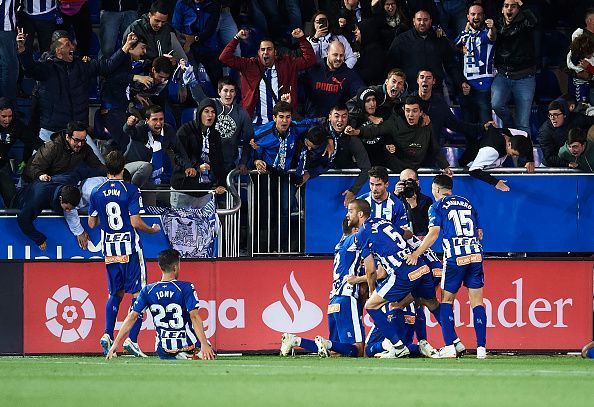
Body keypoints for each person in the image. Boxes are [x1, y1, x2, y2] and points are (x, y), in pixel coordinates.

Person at [88, 150, 161, 357]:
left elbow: (92, 223)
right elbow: (136, 222)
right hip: (129, 248)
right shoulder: (130, 190)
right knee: (140, 295)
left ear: (106, 168)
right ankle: (132, 340)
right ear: (123, 167)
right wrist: (152, 230)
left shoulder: (96, 191)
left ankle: (107, 334)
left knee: (115, 293)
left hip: (109, 250)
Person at [406, 174, 487, 359]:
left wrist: (416, 253)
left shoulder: (437, 206)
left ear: (435, 189)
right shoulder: (468, 203)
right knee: (477, 303)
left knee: (447, 301)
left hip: (455, 258)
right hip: (475, 255)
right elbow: (479, 233)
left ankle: (450, 346)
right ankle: (481, 348)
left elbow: (434, 233)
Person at [348, 199, 441, 358]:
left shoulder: (362, 233)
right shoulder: (383, 222)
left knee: (371, 306)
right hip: (422, 266)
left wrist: (371, 290)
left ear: (360, 214)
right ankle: (453, 343)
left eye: (350, 211)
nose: (347, 215)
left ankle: (397, 346)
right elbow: (408, 233)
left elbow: (370, 271)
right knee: (426, 303)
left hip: (402, 271)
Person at [17, 29, 137, 145]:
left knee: (99, 164)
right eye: (68, 45)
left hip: (78, 131)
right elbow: (30, 68)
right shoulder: (47, 68)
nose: (72, 47)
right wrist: (22, 50)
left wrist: (126, 46)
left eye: (72, 44)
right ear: (58, 51)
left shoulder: (81, 66)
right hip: (52, 131)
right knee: (38, 164)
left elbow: (107, 66)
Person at [106, 248, 215, 360]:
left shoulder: (148, 290)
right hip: (188, 345)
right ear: (175, 267)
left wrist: (116, 343)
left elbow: (132, 317)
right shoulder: (186, 288)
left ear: (160, 267)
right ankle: (187, 354)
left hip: (163, 350)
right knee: (208, 348)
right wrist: (204, 344)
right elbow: (194, 316)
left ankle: (179, 355)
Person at [280, 218, 365, 358]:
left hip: (333, 300)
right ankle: (326, 343)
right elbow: (365, 233)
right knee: (358, 349)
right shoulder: (351, 242)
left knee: (336, 351)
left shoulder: (340, 244)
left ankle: (295, 340)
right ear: (355, 231)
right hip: (347, 298)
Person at [218, 28, 316, 123]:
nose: (266, 52)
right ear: (258, 53)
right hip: (256, 123)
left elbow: (310, 60)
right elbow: (224, 58)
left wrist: (302, 39)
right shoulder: (249, 65)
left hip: (282, 123)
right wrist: (237, 38)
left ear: (275, 52)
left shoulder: (287, 64)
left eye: (269, 49)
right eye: (263, 49)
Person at [346, 96, 453, 174]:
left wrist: (445, 166)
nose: (410, 115)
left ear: (421, 112)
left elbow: (434, 148)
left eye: (414, 111)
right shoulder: (395, 122)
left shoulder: (427, 125)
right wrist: (356, 131)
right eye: (408, 111)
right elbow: (375, 130)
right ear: (404, 110)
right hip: (396, 167)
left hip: (415, 166)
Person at [182, 66, 253, 174]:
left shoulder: (242, 113)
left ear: (235, 93)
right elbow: (199, 97)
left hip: (227, 164)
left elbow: (249, 140)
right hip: (206, 161)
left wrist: (243, 162)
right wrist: (192, 83)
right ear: (219, 92)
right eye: (225, 91)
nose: (228, 94)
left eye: (232, 91)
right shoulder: (211, 104)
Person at [387, 9, 465, 94]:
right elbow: (391, 66)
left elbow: (451, 64)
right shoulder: (401, 40)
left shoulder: (439, 40)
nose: (422, 23)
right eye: (419, 19)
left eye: (425, 20)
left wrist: (460, 82)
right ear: (413, 21)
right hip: (410, 92)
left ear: (430, 21)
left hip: (436, 91)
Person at [491, 0, 538, 136]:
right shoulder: (497, 23)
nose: (509, 9)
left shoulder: (526, 23)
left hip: (525, 77)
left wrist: (523, 4)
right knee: (496, 105)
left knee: (523, 123)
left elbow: (535, 21)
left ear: (518, 9)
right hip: (503, 75)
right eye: (506, 6)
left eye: (513, 6)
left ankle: (525, 157)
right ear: (502, 9)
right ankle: (509, 124)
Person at [123, 105, 194, 193]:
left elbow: (178, 149)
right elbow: (129, 131)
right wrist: (129, 125)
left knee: (150, 204)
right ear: (147, 120)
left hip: (148, 178)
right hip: (128, 172)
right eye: (155, 119)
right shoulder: (141, 128)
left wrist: (188, 166)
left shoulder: (168, 130)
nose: (159, 123)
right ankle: (131, 192)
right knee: (146, 167)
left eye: (161, 119)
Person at [171, 99, 227, 208]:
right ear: (199, 113)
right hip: (183, 188)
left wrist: (221, 183)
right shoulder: (185, 130)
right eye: (206, 111)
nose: (210, 115)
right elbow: (179, 156)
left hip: (204, 190)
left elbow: (219, 161)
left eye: (213, 112)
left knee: (202, 224)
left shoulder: (215, 135)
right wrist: (196, 167)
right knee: (180, 223)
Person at [318, 104, 371, 206]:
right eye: (336, 116)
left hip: (343, 182)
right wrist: (327, 138)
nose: (340, 120)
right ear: (329, 117)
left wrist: (353, 191)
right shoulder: (319, 127)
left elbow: (366, 168)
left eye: (344, 116)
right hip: (318, 183)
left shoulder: (352, 137)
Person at [24, 121, 106, 183]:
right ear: (68, 137)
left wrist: (113, 172)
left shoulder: (84, 147)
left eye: (83, 140)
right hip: (36, 181)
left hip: (58, 179)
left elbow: (97, 166)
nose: (80, 144)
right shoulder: (52, 147)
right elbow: (33, 168)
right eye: (76, 140)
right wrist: (41, 175)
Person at [455, 3, 497, 124]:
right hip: (467, 85)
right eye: (473, 14)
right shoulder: (464, 34)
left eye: (479, 14)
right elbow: (452, 47)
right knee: (469, 123)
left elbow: (492, 36)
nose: (476, 17)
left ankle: (488, 143)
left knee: (486, 122)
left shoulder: (486, 33)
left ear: (483, 16)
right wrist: (459, 49)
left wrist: (492, 28)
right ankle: (471, 143)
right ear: (468, 17)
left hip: (484, 84)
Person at [304, 40, 364, 117]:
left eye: (341, 55)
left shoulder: (349, 74)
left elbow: (361, 92)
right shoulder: (313, 69)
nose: (338, 58)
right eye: (335, 55)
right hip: (311, 120)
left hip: (336, 122)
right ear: (327, 53)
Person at [172, 0, 222, 89]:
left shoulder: (214, 4)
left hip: (209, 46)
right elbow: (176, 27)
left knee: (218, 80)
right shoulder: (182, 3)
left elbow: (210, 29)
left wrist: (194, 38)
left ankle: (221, 101)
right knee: (191, 81)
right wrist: (184, 41)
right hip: (187, 46)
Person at [14, 183, 81, 250]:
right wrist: (39, 239)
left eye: (71, 209)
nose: (68, 211)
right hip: (15, 200)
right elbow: (22, 219)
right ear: (60, 198)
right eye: (67, 208)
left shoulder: (65, 189)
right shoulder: (37, 201)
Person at [468, 127, 534, 191]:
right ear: (509, 144)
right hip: (470, 166)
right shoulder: (491, 151)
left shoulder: (512, 135)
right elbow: (473, 170)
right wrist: (496, 183)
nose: (514, 157)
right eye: (514, 154)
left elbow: (526, 135)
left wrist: (530, 159)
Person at [123, 0, 187, 67]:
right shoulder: (135, 28)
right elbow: (125, 55)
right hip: (141, 71)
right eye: (157, 20)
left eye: (163, 22)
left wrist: (174, 62)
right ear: (149, 15)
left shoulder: (168, 29)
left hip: (163, 72)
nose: (160, 25)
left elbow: (179, 56)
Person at [538, 98, 594, 168]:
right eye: (550, 115)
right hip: (551, 165)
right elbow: (549, 157)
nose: (552, 118)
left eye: (556, 115)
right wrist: (567, 164)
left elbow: (591, 121)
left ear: (564, 115)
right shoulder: (545, 131)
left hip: (575, 160)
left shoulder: (577, 118)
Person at [394, 168, 432, 237]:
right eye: (404, 181)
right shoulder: (396, 200)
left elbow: (422, 230)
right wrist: (395, 195)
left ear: (417, 182)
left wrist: (414, 206)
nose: (407, 184)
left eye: (410, 181)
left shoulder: (426, 200)